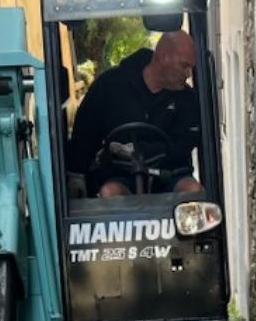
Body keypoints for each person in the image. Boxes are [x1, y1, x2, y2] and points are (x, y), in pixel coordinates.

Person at [67, 31, 204, 198]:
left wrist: (140, 150)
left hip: (170, 174)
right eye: (184, 66)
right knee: (110, 193)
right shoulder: (109, 86)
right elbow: (84, 133)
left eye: (191, 67)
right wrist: (76, 175)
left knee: (192, 191)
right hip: (121, 175)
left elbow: (186, 142)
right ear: (163, 57)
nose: (188, 74)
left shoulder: (187, 100)